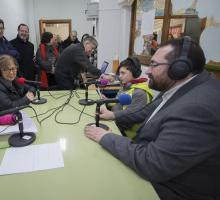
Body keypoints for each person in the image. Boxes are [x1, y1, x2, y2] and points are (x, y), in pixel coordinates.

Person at [84, 36, 220, 199]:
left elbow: (153, 163)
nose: (147, 70)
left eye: (154, 65)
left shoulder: (198, 107)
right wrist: (113, 115)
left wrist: (106, 137)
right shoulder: (179, 87)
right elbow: (145, 112)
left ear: (180, 68)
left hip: (171, 189)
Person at [101, 57, 154, 139]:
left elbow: (127, 122)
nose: (120, 76)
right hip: (118, 123)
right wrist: (107, 101)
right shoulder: (128, 85)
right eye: (120, 73)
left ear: (134, 73)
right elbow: (119, 104)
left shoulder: (140, 93)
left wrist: (111, 116)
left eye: (123, 73)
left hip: (128, 134)